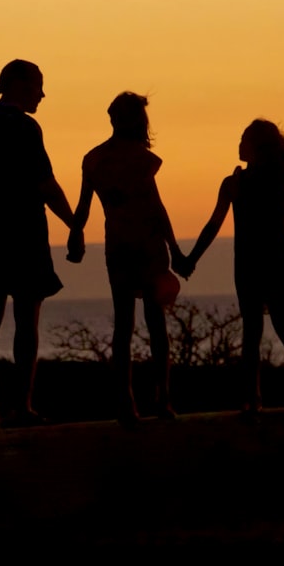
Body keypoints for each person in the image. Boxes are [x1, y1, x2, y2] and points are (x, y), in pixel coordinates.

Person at [0, 59, 74, 429]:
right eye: (39, 85)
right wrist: (75, 224)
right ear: (20, 85)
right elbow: (46, 185)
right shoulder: (25, 127)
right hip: (26, 234)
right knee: (26, 321)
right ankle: (22, 405)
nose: (42, 93)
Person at [181, 119, 284, 416]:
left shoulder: (237, 183)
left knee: (256, 333)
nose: (238, 144)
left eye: (243, 140)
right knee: (282, 331)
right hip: (271, 261)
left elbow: (214, 225)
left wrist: (191, 259)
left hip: (255, 263)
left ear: (256, 146)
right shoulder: (266, 181)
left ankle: (257, 399)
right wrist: (192, 258)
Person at [67, 92, 184, 424]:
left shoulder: (94, 159)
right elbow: (155, 208)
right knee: (154, 323)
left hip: (118, 245)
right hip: (145, 245)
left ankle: (128, 402)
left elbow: (84, 206)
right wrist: (174, 249)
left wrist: (76, 236)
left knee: (125, 324)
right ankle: (160, 399)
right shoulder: (140, 159)